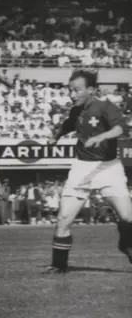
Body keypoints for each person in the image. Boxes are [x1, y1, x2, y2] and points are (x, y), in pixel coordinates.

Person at [46, 69, 132, 273]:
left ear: (91, 89)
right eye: (70, 90)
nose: (72, 94)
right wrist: (54, 137)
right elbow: (67, 125)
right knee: (64, 219)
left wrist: (100, 137)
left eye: (77, 90)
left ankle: (126, 244)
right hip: (82, 168)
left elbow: (121, 129)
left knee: (128, 218)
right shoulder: (76, 111)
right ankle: (58, 266)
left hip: (109, 167)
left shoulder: (105, 106)